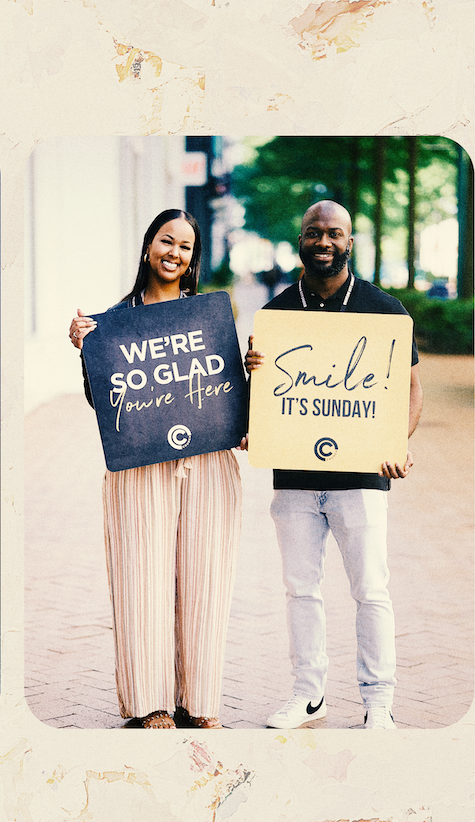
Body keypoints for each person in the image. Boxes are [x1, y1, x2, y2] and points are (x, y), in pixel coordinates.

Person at [244, 200, 423, 730]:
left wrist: (399, 442)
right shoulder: (275, 315)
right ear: (300, 240)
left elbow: (412, 392)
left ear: (350, 242)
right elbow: (261, 403)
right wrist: (252, 371)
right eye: (313, 233)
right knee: (301, 588)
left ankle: (378, 703)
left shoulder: (386, 311)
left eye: (335, 234)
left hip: (363, 475)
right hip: (295, 478)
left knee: (370, 588)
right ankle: (307, 695)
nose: (324, 242)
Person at [68, 208, 241, 730]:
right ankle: (149, 702)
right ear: (148, 246)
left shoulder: (209, 319)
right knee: (140, 575)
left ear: (193, 260)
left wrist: (249, 371)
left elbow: (228, 396)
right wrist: (86, 349)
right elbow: (104, 403)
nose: (176, 254)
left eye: (186, 247)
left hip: (208, 461)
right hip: (140, 464)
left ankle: (199, 700)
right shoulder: (113, 322)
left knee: (207, 578)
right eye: (168, 241)